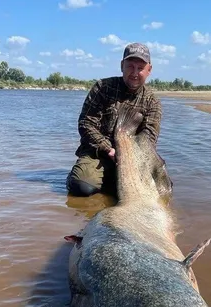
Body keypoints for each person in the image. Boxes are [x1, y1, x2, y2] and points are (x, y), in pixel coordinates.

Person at [66, 42, 162, 197]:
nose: (135, 73)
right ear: (122, 65)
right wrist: (109, 150)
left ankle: (110, 182)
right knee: (81, 188)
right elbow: (86, 124)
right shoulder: (102, 87)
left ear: (149, 70)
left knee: (158, 192)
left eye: (140, 68)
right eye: (130, 66)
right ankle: (77, 177)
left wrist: (130, 159)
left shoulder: (152, 102)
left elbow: (150, 137)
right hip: (99, 154)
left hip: (132, 158)